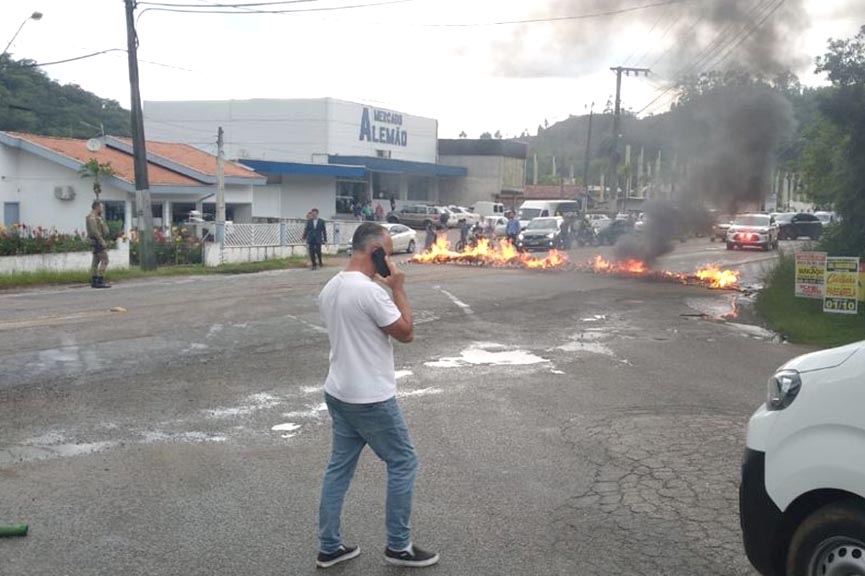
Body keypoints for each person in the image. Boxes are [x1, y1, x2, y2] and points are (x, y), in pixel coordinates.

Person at [315, 223, 439, 569]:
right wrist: (398, 289)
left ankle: (329, 546)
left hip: (339, 391)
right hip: (369, 398)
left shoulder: (331, 287)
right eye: (387, 251)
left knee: (338, 469)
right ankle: (398, 546)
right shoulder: (370, 293)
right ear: (376, 254)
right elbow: (406, 332)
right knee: (403, 462)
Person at [85, 200, 111, 288]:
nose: (102, 209)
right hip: (97, 241)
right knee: (105, 260)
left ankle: (94, 280)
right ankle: (100, 280)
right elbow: (95, 231)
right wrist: (101, 241)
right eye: (101, 207)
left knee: (95, 261)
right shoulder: (92, 218)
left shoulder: (97, 217)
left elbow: (105, 230)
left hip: (96, 240)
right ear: (97, 207)